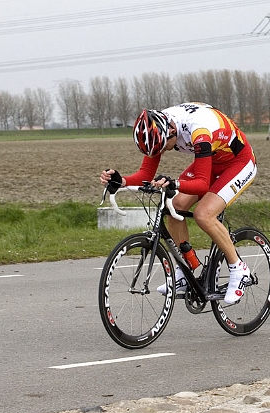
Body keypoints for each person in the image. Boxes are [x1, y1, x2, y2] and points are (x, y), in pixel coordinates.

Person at [100, 103, 257, 303]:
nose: (161, 152)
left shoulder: (198, 129)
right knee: (173, 206)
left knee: (204, 214)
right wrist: (122, 181)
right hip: (212, 159)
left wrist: (175, 182)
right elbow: (146, 174)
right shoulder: (158, 129)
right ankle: (187, 267)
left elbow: (202, 184)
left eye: (162, 148)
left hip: (239, 162)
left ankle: (238, 268)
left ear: (172, 131)